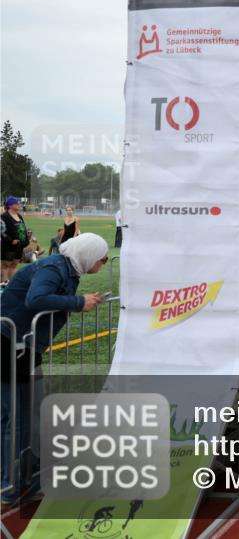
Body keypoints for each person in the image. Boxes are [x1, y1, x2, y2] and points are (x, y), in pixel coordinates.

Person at [1, 233, 108, 504]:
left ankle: (24, 474)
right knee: (17, 417)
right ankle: (11, 483)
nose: (103, 263)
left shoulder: (66, 268)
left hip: (22, 346)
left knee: (26, 414)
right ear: (88, 253)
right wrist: (78, 302)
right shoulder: (54, 267)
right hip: (10, 345)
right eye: (102, 258)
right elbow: (35, 300)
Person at [1, 197, 29, 283]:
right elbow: (1, 231)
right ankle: (3, 285)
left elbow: (23, 228)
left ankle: (11, 285)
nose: (19, 205)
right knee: (5, 266)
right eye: (17, 203)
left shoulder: (19, 216)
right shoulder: (4, 216)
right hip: (8, 246)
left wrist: (26, 241)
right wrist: (11, 240)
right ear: (10, 205)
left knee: (13, 266)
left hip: (19, 246)